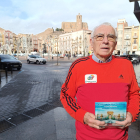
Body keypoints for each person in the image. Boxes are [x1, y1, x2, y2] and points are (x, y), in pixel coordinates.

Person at [60, 22, 140, 140]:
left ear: (115, 44)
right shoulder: (78, 66)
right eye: (100, 36)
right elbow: (66, 95)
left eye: (111, 37)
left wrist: (132, 114)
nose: (105, 41)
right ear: (91, 42)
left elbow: (134, 94)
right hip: (86, 137)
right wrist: (83, 116)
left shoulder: (126, 65)